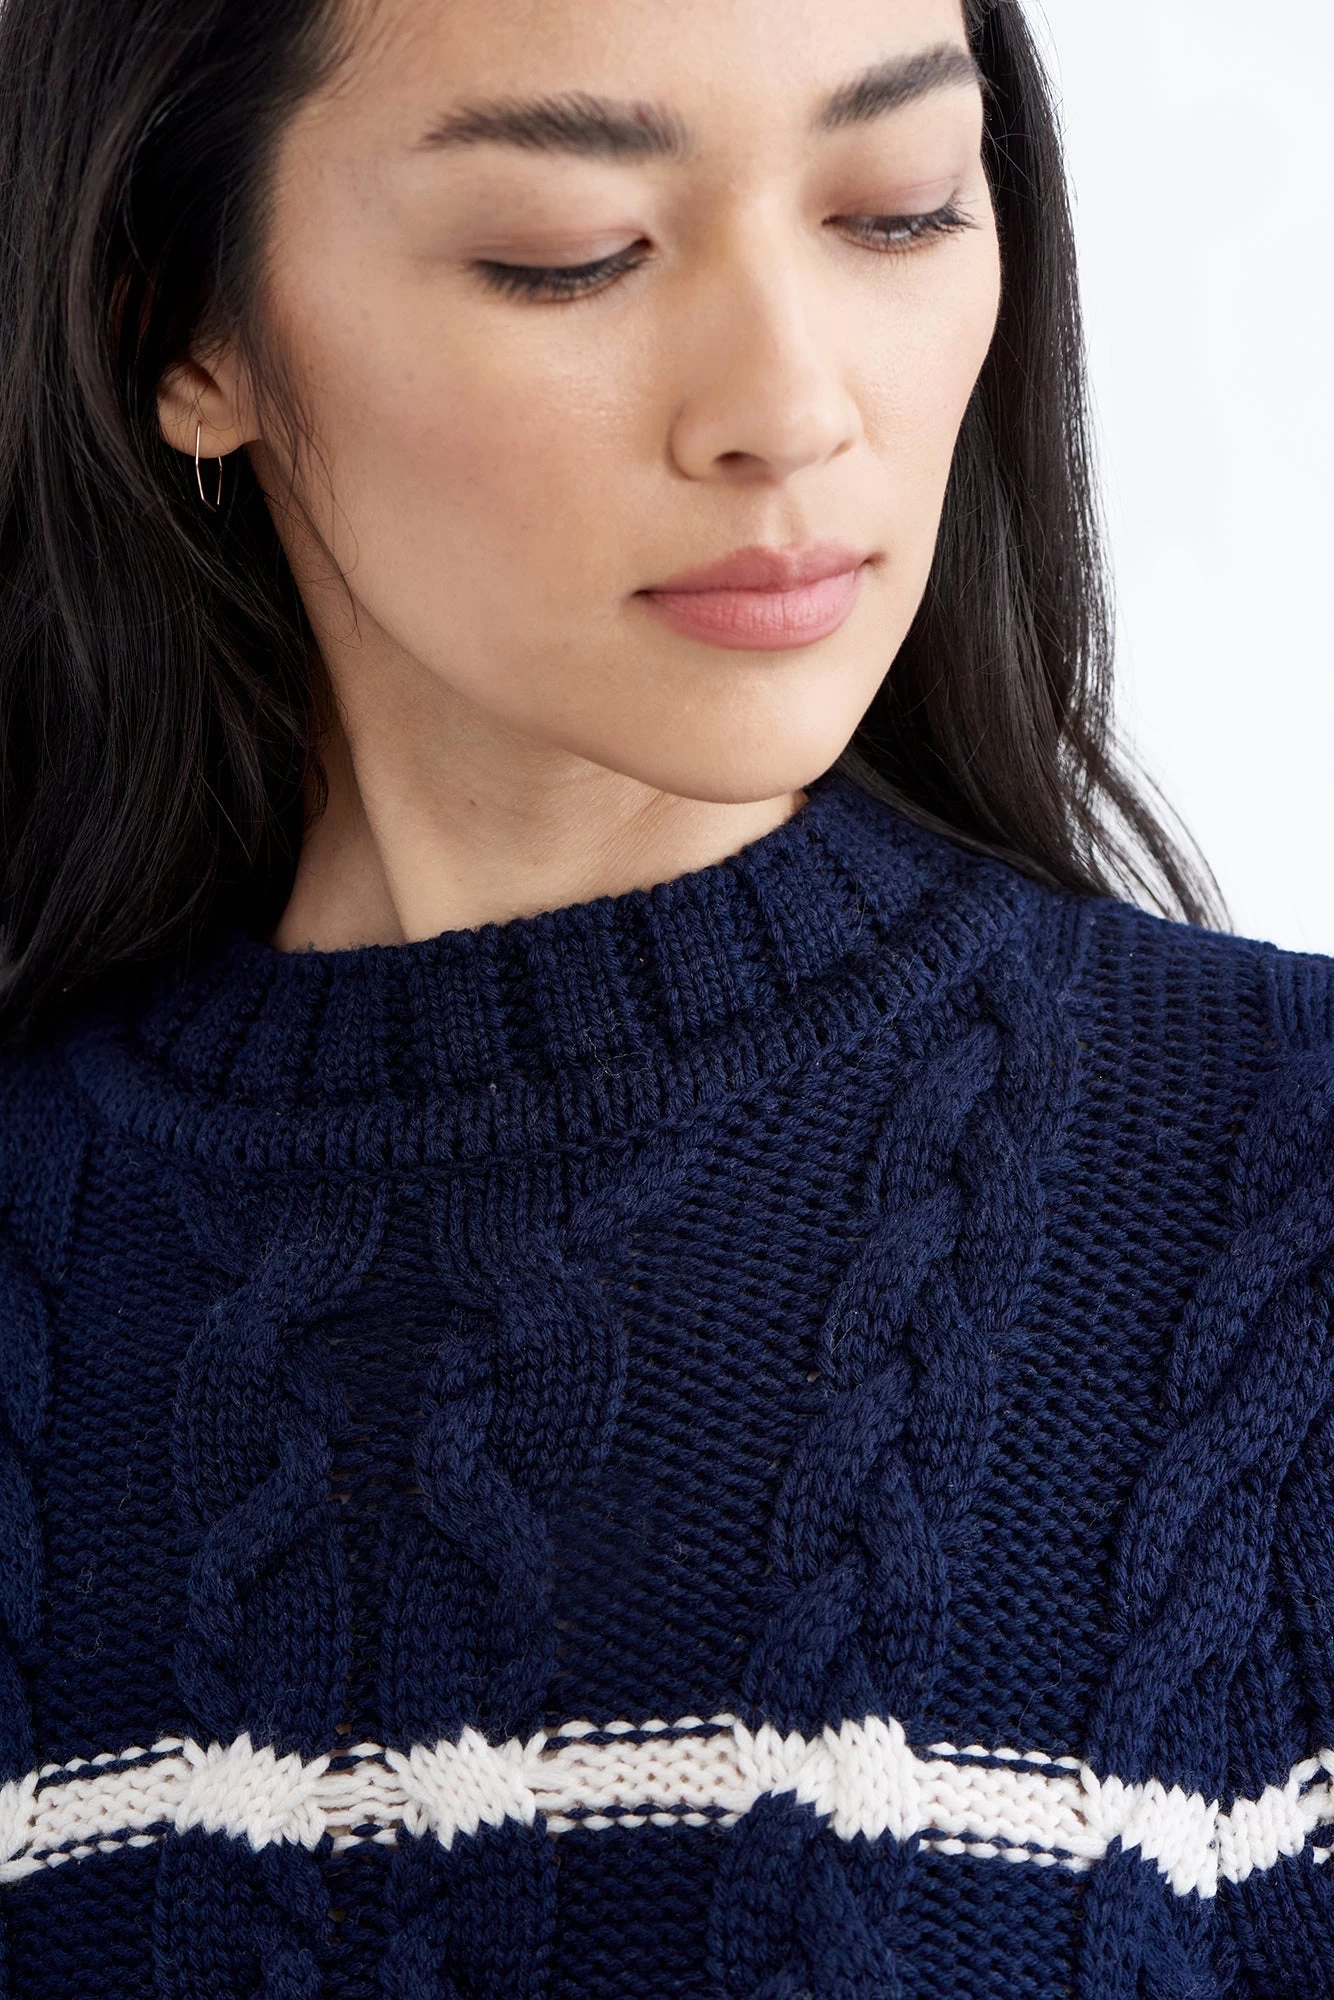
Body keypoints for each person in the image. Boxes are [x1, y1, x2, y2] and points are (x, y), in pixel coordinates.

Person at [0, 0, 1330, 1989]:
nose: (789, 408)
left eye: (896, 210)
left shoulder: (1282, 1201)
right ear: (180, 328)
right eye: (575, 252)